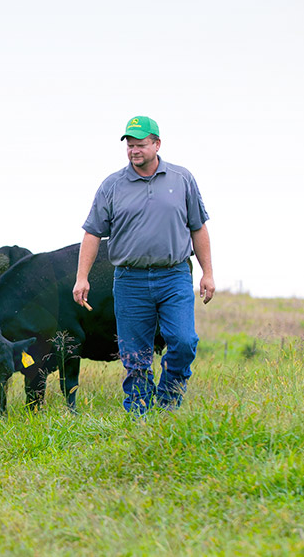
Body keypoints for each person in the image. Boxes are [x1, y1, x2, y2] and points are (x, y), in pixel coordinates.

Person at [72, 115, 214, 414]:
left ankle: (168, 397)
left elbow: (198, 227)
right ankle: (138, 413)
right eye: (130, 145)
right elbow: (92, 232)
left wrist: (207, 273)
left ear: (157, 144)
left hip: (174, 275)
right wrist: (81, 277)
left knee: (184, 341)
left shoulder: (182, 179)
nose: (134, 150)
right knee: (135, 355)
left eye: (141, 145)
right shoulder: (112, 185)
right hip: (130, 280)